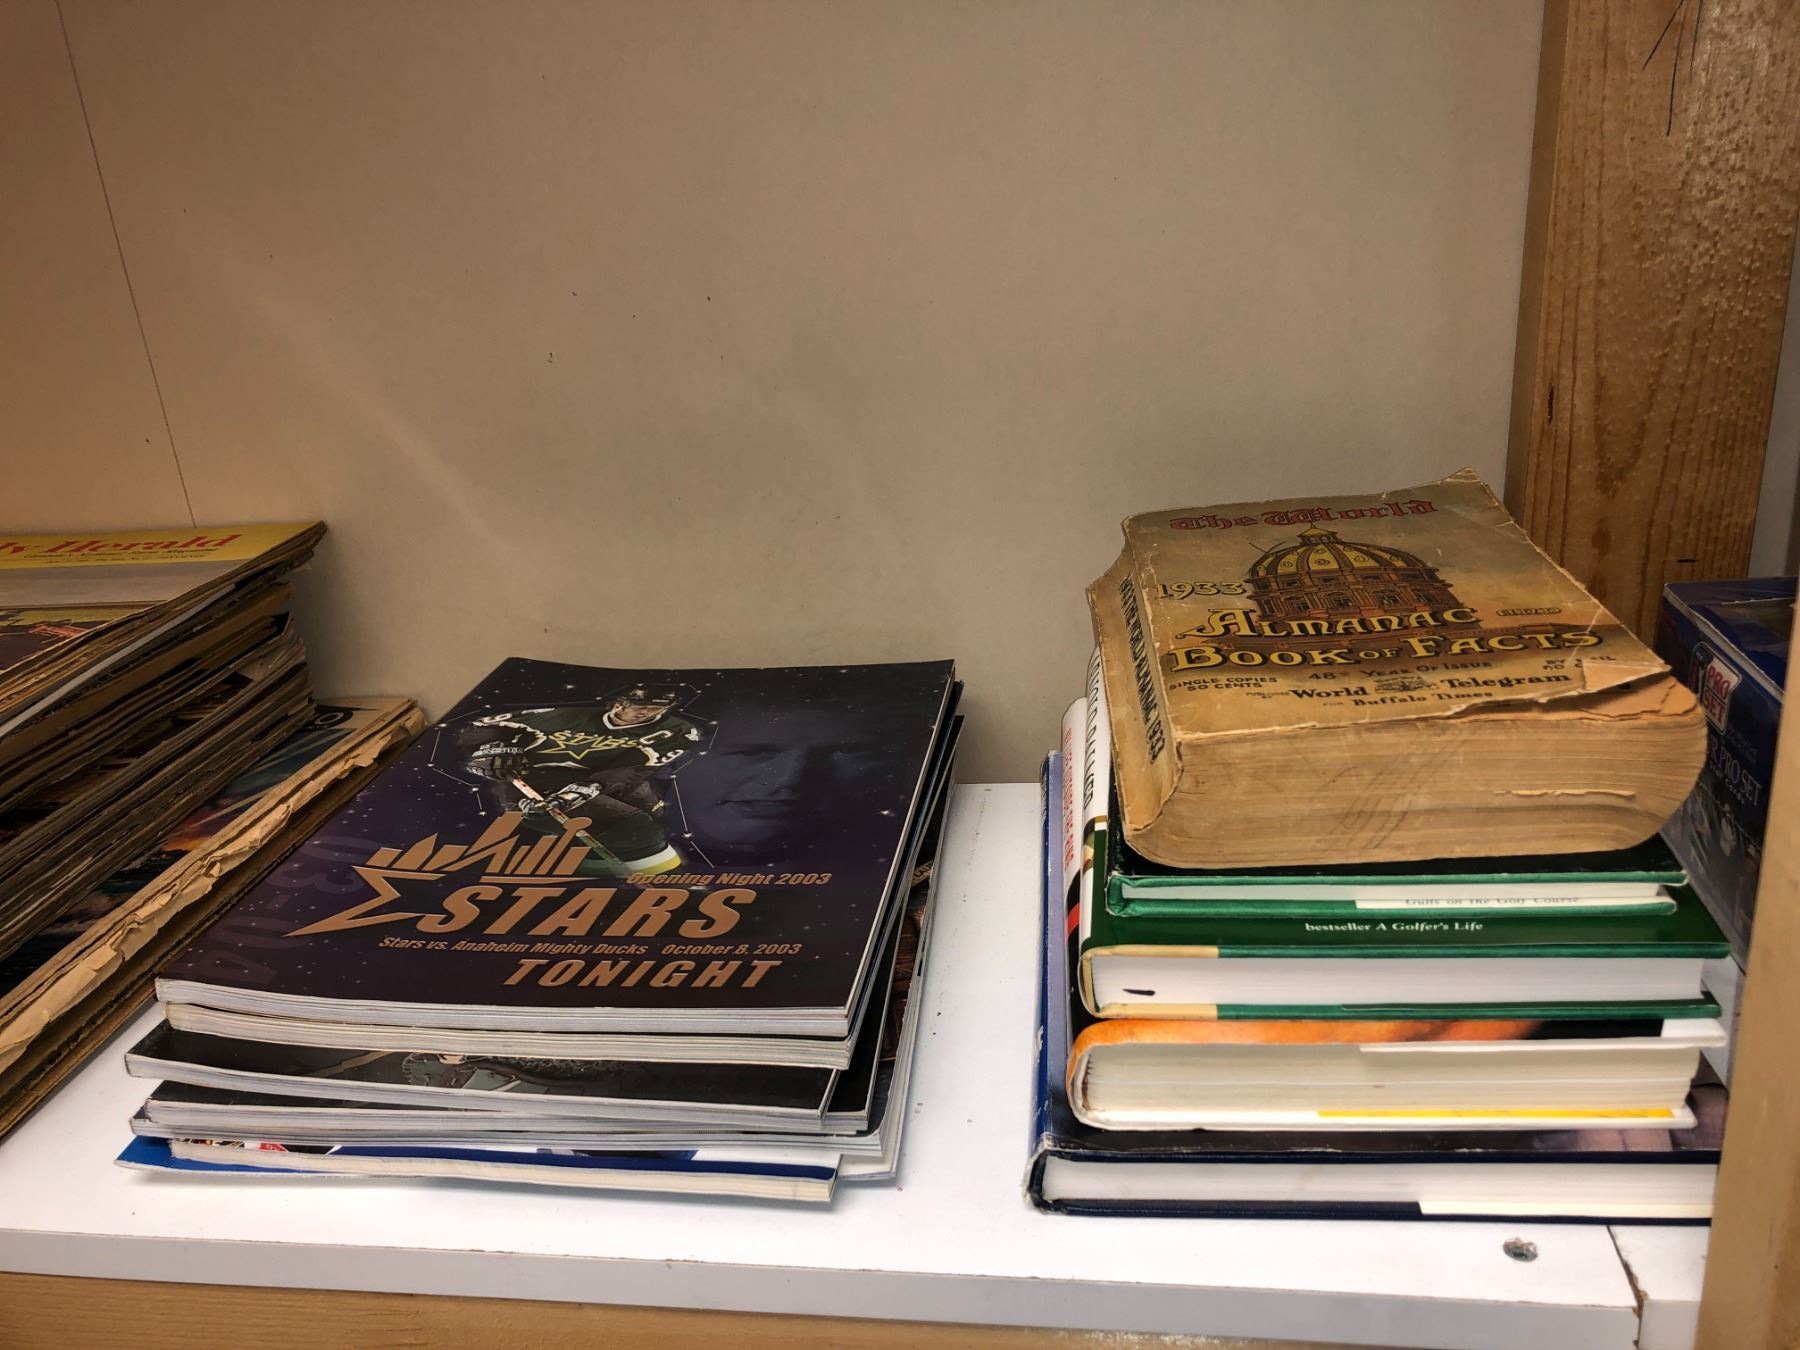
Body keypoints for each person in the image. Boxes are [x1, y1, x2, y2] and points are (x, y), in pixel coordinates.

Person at [458, 685, 707, 876]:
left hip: (602, 781)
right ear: (618, 704)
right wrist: (491, 747)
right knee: (636, 829)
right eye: (640, 705)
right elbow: (477, 729)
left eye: (655, 708)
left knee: (650, 808)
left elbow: (634, 768)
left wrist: (586, 788)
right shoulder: (560, 717)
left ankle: (597, 868)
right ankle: (662, 882)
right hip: (539, 783)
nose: (647, 712)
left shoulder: (677, 729)